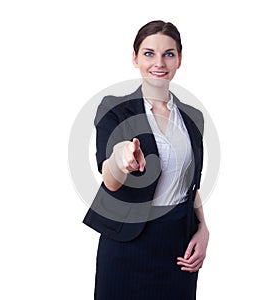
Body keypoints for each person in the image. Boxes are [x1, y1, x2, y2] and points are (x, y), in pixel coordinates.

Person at [83, 20, 209, 299]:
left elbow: (192, 184)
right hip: (127, 243)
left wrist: (203, 229)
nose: (159, 63)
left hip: (179, 246)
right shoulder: (114, 109)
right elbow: (110, 179)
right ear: (135, 58)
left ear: (179, 60)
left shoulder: (192, 118)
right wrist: (121, 158)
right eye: (149, 53)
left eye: (169, 54)